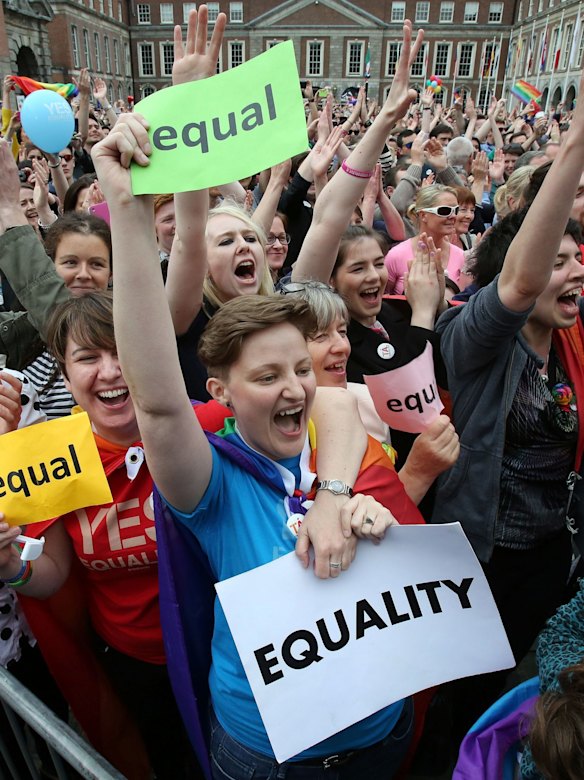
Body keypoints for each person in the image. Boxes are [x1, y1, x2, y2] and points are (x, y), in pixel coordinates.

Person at [432, 67, 584, 741]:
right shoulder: (475, 342)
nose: (574, 268)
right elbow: (522, 279)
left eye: (579, 258)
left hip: (552, 550)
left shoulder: (574, 343)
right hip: (481, 557)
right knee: (461, 699)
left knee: (522, 687)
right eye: (559, 259)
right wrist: (573, 150)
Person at [283, 279, 459, 507]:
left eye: (342, 331)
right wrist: (417, 472)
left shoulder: (368, 401)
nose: (342, 347)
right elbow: (352, 531)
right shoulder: (281, 429)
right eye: (321, 336)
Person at [384, 184, 466, 294]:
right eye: (444, 210)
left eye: (455, 210)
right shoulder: (395, 256)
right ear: (423, 215)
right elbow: (384, 298)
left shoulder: (462, 257)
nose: (453, 216)